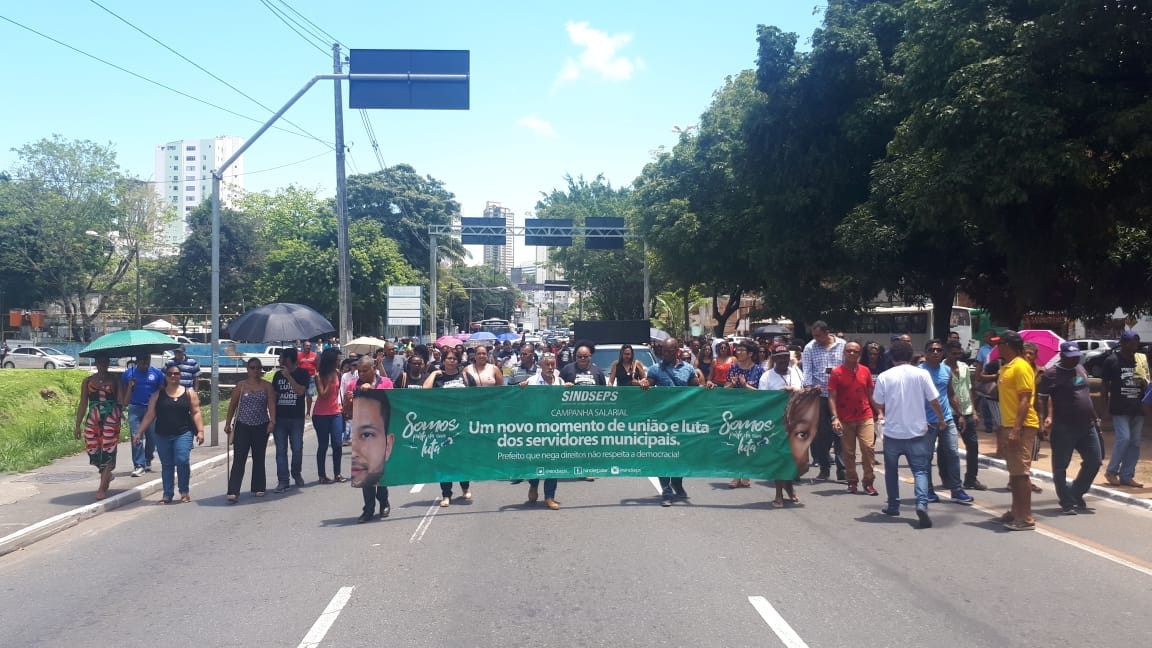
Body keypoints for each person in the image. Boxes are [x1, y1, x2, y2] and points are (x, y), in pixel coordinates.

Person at [873, 340, 947, 529]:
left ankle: (892, 505)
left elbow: (877, 401)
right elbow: (934, 400)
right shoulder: (921, 374)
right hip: (917, 431)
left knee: (891, 470)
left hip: (893, 433)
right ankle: (921, 504)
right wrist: (940, 419)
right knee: (920, 470)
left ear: (892, 357)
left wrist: (883, 412)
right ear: (911, 356)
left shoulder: (884, 376)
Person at [1037, 342, 1102, 514]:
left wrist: (1095, 417)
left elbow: (1084, 394)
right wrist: (1043, 420)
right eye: (1071, 358)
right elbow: (1041, 399)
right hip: (1064, 427)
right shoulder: (1051, 375)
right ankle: (1066, 501)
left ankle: (1076, 492)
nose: (1075, 360)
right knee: (1061, 466)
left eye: (1076, 357)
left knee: (1095, 460)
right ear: (1062, 356)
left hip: (1087, 425)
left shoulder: (1080, 369)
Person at [640, 337, 700, 505]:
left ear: (676, 351)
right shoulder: (655, 369)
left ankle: (677, 483)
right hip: (663, 419)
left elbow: (696, 387)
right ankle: (666, 491)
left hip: (681, 419)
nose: (666, 354)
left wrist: (707, 385)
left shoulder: (687, 368)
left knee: (680, 454)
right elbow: (649, 384)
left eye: (669, 351)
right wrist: (645, 383)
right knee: (663, 454)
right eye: (664, 351)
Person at [135, 365, 205, 504]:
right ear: (165, 376)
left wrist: (200, 431)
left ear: (180, 375)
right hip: (162, 434)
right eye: (170, 374)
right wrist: (139, 432)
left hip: (183, 433)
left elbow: (196, 412)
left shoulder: (189, 393)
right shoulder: (157, 396)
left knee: (182, 460)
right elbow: (150, 415)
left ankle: (184, 492)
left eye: (176, 373)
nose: (173, 376)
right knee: (167, 464)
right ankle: (167, 494)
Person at [993, 330, 1041, 531]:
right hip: (1010, 424)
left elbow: (1024, 399)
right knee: (1014, 472)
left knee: (1021, 473)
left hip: (1020, 426)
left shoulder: (1021, 367)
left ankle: (1026, 517)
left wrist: (1016, 429)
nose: (997, 347)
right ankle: (1015, 511)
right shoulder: (1007, 367)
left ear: (1009, 345)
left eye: (1000, 344)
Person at [919, 340, 974, 505]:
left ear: (942, 352)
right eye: (931, 349)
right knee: (926, 457)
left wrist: (961, 413)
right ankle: (928, 490)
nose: (935, 352)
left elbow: (951, 395)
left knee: (952, 453)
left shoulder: (946, 370)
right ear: (926, 352)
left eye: (938, 350)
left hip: (947, 418)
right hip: (927, 421)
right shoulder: (920, 372)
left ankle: (956, 490)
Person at [827, 341, 880, 496]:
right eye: (849, 351)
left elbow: (870, 394)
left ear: (859, 354)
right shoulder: (836, 373)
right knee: (848, 452)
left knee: (868, 449)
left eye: (855, 351)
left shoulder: (865, 371)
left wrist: (880, 412)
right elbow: (831, 397)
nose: (851, 354)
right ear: (844, 353)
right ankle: (852, 481)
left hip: (865, 415)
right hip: (845, 418)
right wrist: (835, 418)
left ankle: (869, 482)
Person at [423, 349, 475, 506]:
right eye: (448, 358)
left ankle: (465, 487)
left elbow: (477, 397)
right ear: (443, 360)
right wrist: (433, 374)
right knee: (444, 460)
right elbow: (425, 390)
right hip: (443, 425)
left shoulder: (465, 376)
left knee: (462, 457)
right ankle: (446, 494)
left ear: (458, 361)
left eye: (454, 359)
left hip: (462, 423)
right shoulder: (438, 378)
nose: (451, 361)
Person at [224, 359, 277, 502]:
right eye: (253, 368)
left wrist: (272, 421)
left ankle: (259, 486)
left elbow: (271, 404)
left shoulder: (267, 386)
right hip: (242, 425)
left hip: (261, 425)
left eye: (258, 368)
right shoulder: (241, 386)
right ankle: (233, 490)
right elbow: (232, 406)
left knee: (259, 457)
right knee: (239, 458)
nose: (256, 370)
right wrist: (228, 423)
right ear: (248, 369)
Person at [801, 320, 846, 481]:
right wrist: (810, 387)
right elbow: (807, 371)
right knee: (821, 434)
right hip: (819, 396)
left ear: (827, 333)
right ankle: (824, 467)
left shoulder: (842, 345)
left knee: (840, 432)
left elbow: (848, 367)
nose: (816, 339)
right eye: (814, 336)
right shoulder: (809, 348)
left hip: (840, 395)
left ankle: (843, 469)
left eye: (818, 336)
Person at [349, 367, 395, 523]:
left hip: (379, 434)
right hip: (361, 435)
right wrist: (350, 400)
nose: (361, 374)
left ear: (373, 370)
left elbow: (392, 402)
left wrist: (373, 389)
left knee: (378, 472)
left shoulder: (386, 382)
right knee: (364, 475)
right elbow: (347, 412)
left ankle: (384, 503)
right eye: (359, 371)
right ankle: (368, 509)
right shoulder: (354, 385)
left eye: (364, 370)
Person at [73, 356, 123, 500]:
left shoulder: (115, 380)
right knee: (93, 450)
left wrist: (129, 387)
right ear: (96, 363)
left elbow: (122, 401)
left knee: (108, 450)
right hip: (93, 419)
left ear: (108, 363)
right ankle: (107, 474)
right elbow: (83, 403)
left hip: (111, 419)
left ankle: (102, 488)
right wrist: (77, 425)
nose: (103, 364)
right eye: (100, 362)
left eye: (105, 361)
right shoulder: (87, 381)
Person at [1102, 330, 1146, 487]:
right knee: (1124, 438)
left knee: (1135, 442)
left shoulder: (1140, 360)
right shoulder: (1112, 361)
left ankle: (1127, 475)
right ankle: (1111, 471)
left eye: (1136, 342)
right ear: (1122, 343)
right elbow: (1104, 385)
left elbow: (1146, 382)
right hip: (1119, 407)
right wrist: (1104, 408)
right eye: (1131, 342)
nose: (1134, 345)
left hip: (1138, 407)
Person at [521, 353, 564, 510]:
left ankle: (549, 497)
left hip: (555, 430)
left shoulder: (560, 382)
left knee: (553, 462)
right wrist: (521, 390)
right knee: (536, 461)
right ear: (540, 365)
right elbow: (522, 403)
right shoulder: (531, 382)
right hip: (536, 429)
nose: (551, 367)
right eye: (547, 364)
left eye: (553, 364)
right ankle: (533, 484)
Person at [946, 340, 986, 490]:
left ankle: (971, 479)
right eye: (953, 353)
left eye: (959, 353)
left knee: (973, 446)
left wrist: (974, 411)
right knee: (948, 449)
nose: (957, 356)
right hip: (949, 413)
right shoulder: (942, 368)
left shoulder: (964, 367)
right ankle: (947, 478)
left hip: (967, 411)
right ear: (947, 353)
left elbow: (969, 389)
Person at [272, 348, 309, 493]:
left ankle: (296, 472)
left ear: (289, 360)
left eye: (282, 359)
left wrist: (288, 377)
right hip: (280, 418)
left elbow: (300, 391)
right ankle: (283, 480)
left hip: (296, 419)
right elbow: (274, 396)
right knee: (280, 450)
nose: (280, 361)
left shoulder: (302, 373)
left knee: (297, 448)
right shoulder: (277, 375)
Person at [121, 353, 164, 477]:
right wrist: (130, 386)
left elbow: (162, 390)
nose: (145, 362)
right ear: (137, 360)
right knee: (136, 436)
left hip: (151, 409)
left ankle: (148, 458)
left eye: (147, 359)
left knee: (152, 437)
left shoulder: (157, 373)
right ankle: (139, 464)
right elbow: (124, 391)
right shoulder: (129, 374)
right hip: (134, 408)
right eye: (142, 359)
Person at [312, 348, 346, 485]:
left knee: (337, 444)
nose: (339, 362)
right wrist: (331, 380)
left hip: (336, 413)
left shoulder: (337, 373)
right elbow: (323, 395)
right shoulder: (318, 376)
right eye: (337, 360)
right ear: (331, 361)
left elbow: (338, 393)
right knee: (323, 445)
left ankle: (337, 473)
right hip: (321, 414)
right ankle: (322, 475)